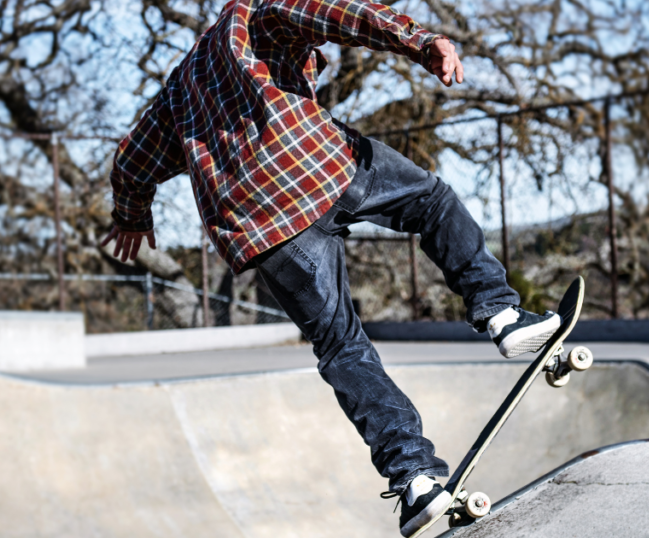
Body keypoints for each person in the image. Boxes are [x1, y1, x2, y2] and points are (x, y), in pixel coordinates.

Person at [100, 0, 561, 534]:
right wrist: (419, 40)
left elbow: (131, 160)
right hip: (317, 167)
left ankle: (413, 477)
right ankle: (500, 311)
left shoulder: (180, 90)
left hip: (260, 229)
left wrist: (130, 216)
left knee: (342, 347)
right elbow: (338, 12)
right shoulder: (251, 13)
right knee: (432, 203)